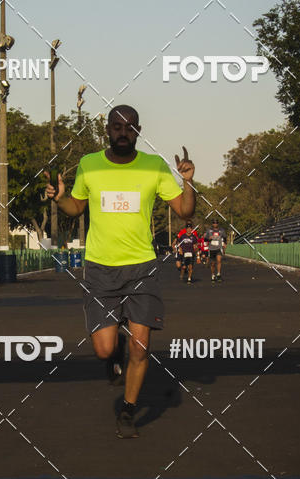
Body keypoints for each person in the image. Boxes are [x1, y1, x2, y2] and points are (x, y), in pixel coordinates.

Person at [45, 105, 195, 438]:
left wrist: (187, 183)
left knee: (141, 348)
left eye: (129, 127)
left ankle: (128, 410)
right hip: (100, 269)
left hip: (141, 267)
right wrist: (60, 198)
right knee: (103, 348)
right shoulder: (89, 165)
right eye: (116, 127)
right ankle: (113, 353)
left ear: (138, 130)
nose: (122, 132)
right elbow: (77, 208)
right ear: (107, 130)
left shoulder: (154, 167)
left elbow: (185, 212)